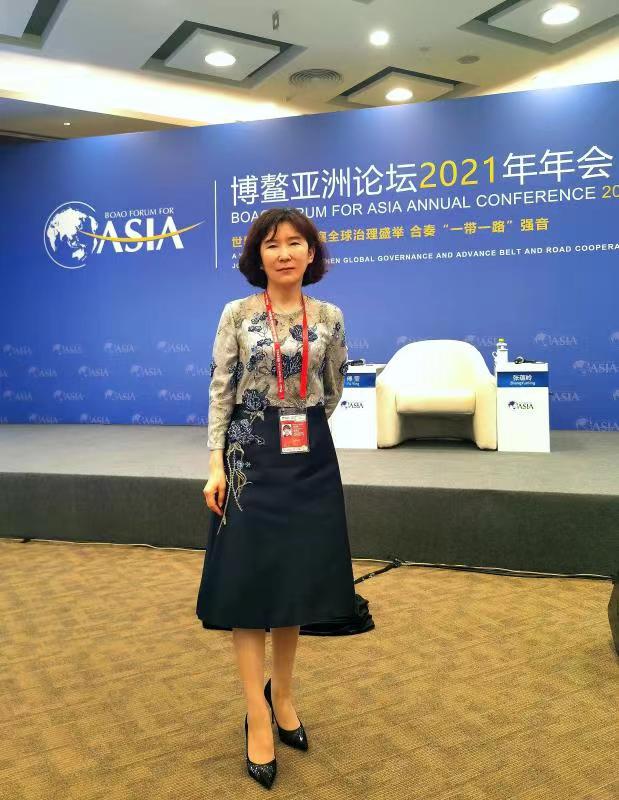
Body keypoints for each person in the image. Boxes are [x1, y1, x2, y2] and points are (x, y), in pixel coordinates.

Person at [196, 207, 356, 789]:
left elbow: (333, 387)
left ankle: (283, 696)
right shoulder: (236, 314)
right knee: (248, 585)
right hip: (248, 450)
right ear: (256, 256)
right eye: (271, 244)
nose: (284, 253)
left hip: (308, 454)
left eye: (294, 243)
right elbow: (221, 389)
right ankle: (256, 714)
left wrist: (301, 426)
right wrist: (216, 463)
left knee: (294, 582)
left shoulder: (330, 317)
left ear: (311, 253)